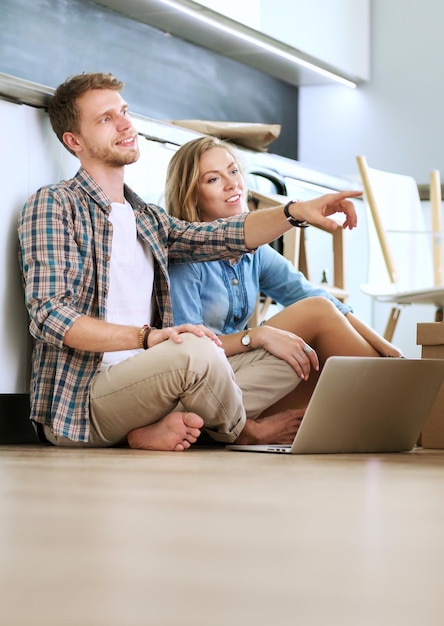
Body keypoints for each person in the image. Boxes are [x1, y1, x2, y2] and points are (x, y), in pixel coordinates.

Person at [17, 72, 362, 452]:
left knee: (291, 352)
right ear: (74, 141)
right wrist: (146, 338)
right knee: (196, 349)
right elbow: (49, 314)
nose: (125, 123)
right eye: (106, 119)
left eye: (124, 111)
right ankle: (247, 431)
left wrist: (295, 212)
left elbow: (221, 235)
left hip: (158, 383)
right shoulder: (54, 204)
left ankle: (162, 428)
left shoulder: (147, 218)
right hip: (86, 400)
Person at [166, 136, 403, 412]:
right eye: (213, 179)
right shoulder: (184, 259)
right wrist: (256, 335)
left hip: (246, 372)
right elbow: (190, 349)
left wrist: (386, 348)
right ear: (192, 195)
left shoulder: (255, 254)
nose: (232, 183)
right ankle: (406, 409)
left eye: (233, 171)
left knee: (326, 358)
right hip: (203, 383)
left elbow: (311, 294)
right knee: (316, 312)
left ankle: (402, 405)